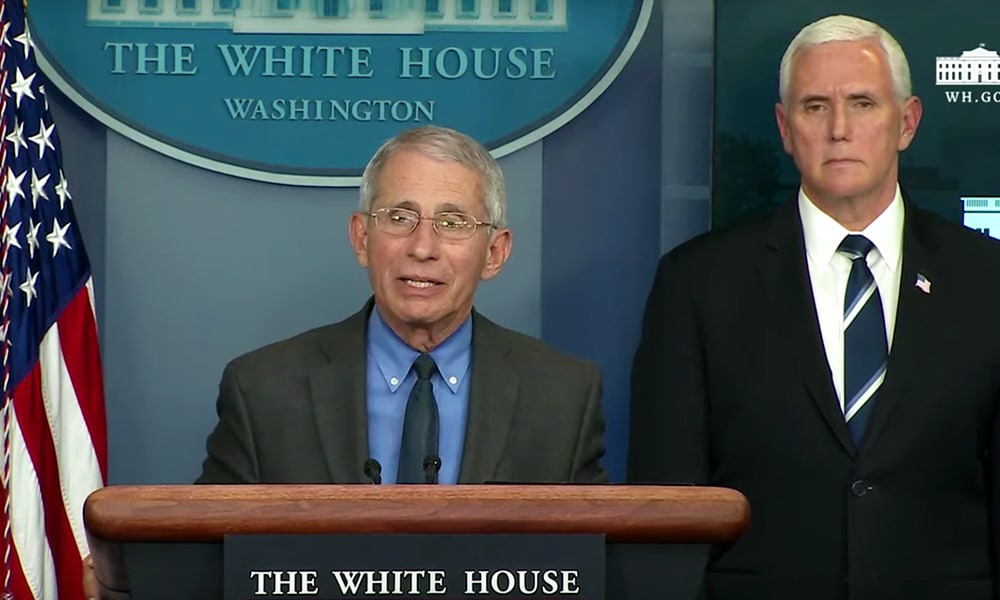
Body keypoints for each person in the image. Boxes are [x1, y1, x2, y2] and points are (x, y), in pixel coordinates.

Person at [83, 125, 607, 597]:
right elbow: (206, 565)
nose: (422, 247)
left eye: (452, 222)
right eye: (399, 218)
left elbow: (596, 571)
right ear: (362, 238)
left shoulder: (561, 396)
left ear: (495, 252)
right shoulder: (264, 389)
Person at [629, 14, 1000, 600]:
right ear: (784, 126)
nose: (840, 130)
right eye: (815, 107)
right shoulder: (698, 283)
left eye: (862, 103)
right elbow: (667, 508)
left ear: (907, 122)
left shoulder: (986, 281)